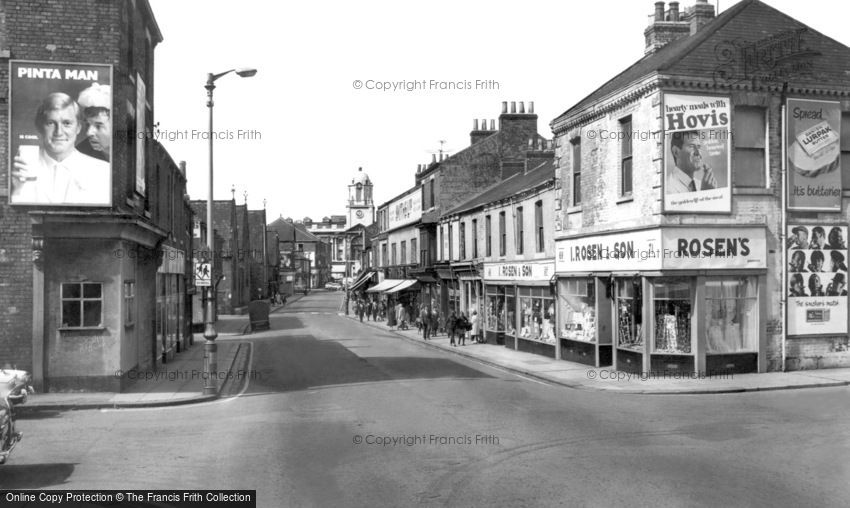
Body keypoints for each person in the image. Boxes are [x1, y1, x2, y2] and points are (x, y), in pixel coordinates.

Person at [11, 92, 110, 205]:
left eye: (67, 123)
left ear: (78, 128)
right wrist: (18, 190)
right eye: (51, 123)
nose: (59, 132)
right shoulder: (20, 168)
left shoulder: (104, 172)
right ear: (40, 127)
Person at [76, 83, 111, 162]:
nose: (89, 133)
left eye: (98, 126)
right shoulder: (81, 153)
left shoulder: (134, 150)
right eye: (88, 125)